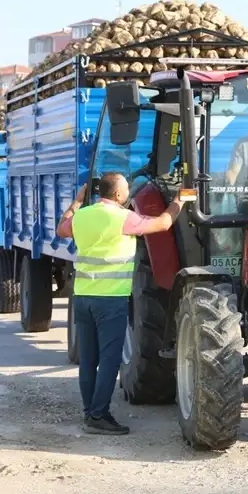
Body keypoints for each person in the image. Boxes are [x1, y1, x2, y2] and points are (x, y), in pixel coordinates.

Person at [56, 172, 190, 435]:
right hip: (110, 300)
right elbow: (163, 223)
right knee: (109, 360)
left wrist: (77, 201)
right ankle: (98, 415)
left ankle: (89, 412)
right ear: (117, 195)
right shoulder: (123, 218)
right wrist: (180, 200)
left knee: (89, 359)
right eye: (126, 189)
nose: (128, 192)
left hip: (83, 298)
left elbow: (62, 229)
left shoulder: (82, 215)